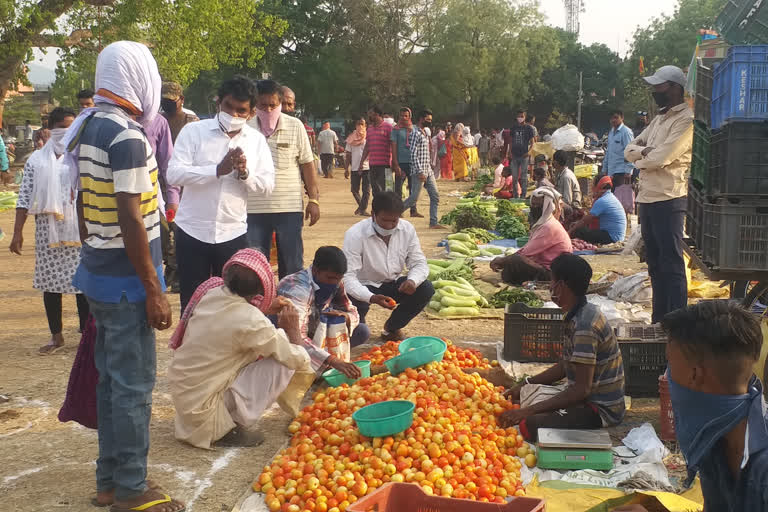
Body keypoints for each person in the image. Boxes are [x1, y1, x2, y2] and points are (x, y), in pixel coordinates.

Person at [66, 41, 184, 512]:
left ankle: (110, 481)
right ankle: (133, 490)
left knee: (112, 384)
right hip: (127, 284)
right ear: (138, 77)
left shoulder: (89, 125)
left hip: (99, 274)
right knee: (133, 388)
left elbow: (81, 201)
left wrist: (94, 247)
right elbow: (133, 218)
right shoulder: (128, 137)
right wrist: (153, 289)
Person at [168, 248, 361, 449]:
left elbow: (235, 317)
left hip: (189, 400)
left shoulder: (213, 292)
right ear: (262, 287)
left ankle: (225, 417)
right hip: (206, 411)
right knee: (283, 364)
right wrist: (293, 332)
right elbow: (297, 359)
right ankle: (226, 428)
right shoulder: (252, 320)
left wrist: (265, 309)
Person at [613, 301, 768, 512]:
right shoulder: (715, 437)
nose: (667, 376)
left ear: (695, 375)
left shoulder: (761, 469)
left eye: (669, 363)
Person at [168, 76, 275, 313]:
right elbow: (174, 174)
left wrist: (245, 173)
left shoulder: (256, 141)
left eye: (241, 110)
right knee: (192, 301)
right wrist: (216, 170)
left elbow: (267, 185)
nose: (234, 114)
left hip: (232, 232)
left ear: (250, 113)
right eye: (228, 106)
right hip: (192, 230)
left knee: (232, 303)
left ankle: (225, 349)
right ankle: (191, 347)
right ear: (218, 103)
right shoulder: (194, 131)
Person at [499, 254, 625, 441]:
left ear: (562, 286)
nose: (550, 287)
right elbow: (565, 365)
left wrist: (526, 412)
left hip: (599, 408)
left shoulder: (585, 326)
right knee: (524, 397)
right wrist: (526, 383)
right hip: (582, 397)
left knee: (529, 426)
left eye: (552, 281)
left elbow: (581, 390)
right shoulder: (575, 315)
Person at [10, 107, 89, 354]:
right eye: (64, 126)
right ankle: (56, 336)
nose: (67, 131)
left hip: (79, 230)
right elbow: (24, 198)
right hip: (48, 231)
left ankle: (86, 336)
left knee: (82, 286)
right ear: (52, 129)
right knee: (50, 285)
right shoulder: (36, 161)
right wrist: (17, 232)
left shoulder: (81, 156)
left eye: (72, 126)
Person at [625, 65, 693, 323]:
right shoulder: (659, 119)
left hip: (669, 197)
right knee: (654, 264)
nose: (655, 91)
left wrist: (642, 155)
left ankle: (677, 322)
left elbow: (663, 157)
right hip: (647, 198)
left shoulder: (685, 120)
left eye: (659, 87)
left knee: (672, 263)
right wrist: (645, 153)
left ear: (675, 88)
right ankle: (659, 320)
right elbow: (631, 149)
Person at [246, 79, 319, 279]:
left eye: (273, 105)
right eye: (263, 105)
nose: (268, 110)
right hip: (253, 210)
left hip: (288, 208)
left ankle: (291, 306)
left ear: (280, 104)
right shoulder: (245, 129)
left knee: (292, 265)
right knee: (254, 267)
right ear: (255, 104)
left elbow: (307, 164)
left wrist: (314, 200)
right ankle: (258, 309)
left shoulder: (295, 127)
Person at [343, 191, 434, 341]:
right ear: (373, 214)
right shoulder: (355, 234)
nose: (389, 226)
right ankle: (358, 325)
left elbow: (419, 263)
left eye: (394, 221)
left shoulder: (407, 229)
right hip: (363, 286)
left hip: (393, 283)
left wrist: (412, 281)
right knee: (359, 333)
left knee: (425, 288)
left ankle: (392, 328)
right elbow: (348, 278)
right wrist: (371, 297)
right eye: (384, 220)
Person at [278, 246, 371, 356]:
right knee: (296, 351)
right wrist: (330, 360)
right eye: (330, 278)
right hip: (292, 337)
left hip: (318, 332)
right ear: (316, 270)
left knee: (361, 331)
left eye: (338, 278)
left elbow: (352, 311)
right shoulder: (298, 289)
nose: (334, 283)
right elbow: (296, 336)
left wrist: (345, 317)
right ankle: (319, 359)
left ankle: (321, 357)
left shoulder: (336, 283)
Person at [490, 187, 572, 284]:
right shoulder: (543, 224)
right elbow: (526, 250)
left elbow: (525, 253)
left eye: (539, 205)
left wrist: (502, 260)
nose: (534, 207)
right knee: (513, 262)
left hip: (553, 272)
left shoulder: (549, 227)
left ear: (546, 207)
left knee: (515, 260)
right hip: (545, 266)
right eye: (533, 204)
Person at [402, 109, 444, 229]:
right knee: (413, 198)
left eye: (430, 120)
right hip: (418, 171)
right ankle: (394, 212)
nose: (430, 122)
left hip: (428, 170)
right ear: (421, 118)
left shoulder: (425, 132)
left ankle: (433, 222)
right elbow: (413, 153)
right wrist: (420, 171)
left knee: (435, 196)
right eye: (428, 119)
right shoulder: (415, 133)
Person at [569, 176, 627, 244]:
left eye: (593, 185)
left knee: (578, 231)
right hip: (616, 236)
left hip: (612, 238)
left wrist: (570, 231)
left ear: (599, 186)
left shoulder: (602, 200)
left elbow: (585, 221)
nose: (592, 188)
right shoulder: (610, 197)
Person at [390, 107, 421, 217]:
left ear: (409, 117)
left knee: (413, 187)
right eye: (401, 115)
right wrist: (395, 163)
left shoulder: (415, 129)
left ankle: (413, 210)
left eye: (406, 116)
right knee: (398, 188)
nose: (403, 118)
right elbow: (393, 146)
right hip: (401, 162)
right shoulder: (396, 130)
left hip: (413, 162)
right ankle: (398, 210)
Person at [358, 106, 393, 195]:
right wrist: (361, 162)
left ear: (377, 114)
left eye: (371, 114)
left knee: (388, 189)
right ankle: (378, 208)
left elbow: (393, 145)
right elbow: (367, 147)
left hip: (387, 165)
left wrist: (394, 162)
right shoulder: (369, 129)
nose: (369, 117)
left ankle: (389, 208)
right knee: (375, 190)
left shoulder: (388, 127)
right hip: (373, 165)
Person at [503, 110, 535, 198]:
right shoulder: (513, 128)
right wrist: (509, 152)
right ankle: (516, 195)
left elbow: (533, 142)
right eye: (519, 116)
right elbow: (510, 141)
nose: (520, 118)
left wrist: (529, 152)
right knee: (515, 177)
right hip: (514, 155)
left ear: (525, 117)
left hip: (524, 155)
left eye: (522, 116)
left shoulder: (529, 128)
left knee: (524, 177)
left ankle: (523, 195)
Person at [345, 117, 370, 216]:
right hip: (355, 167)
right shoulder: (351, 138)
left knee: (366, 190)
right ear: (355, 125)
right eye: (358, 124)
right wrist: (346, 168)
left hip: (367, 167)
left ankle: (362, 209)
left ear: (365, 126)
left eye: (362, 124)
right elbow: (348, 154)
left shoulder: (368, 137)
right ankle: (361, 207)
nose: (360, 126)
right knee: (354, 190)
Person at [603, 110, 634, 186]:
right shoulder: (611, 132)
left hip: (622, 171)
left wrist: (628, 171)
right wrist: (604, 169)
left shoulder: (626, 132)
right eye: (611, 118)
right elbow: (608, 152)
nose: (613, 120)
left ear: (622, 118)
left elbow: (630, 151)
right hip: (611, 171)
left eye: (616, 118)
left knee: (621, 196)